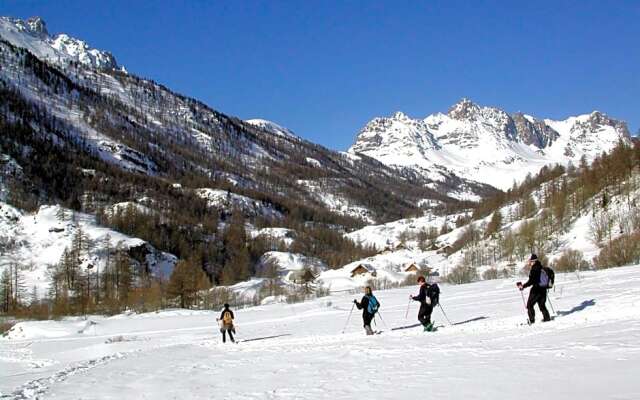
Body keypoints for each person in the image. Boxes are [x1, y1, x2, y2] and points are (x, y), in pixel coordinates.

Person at [517, 254, 552, 323]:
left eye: (529, 261)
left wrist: (523, 286)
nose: (529, 262)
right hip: (543, 289)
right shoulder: (541, 267)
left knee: (529, 305)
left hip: (536, 290)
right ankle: (547, 318)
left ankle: (531, 321)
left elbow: (531, 281)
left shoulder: (534, 269)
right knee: (542, 305)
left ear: (533, 261)